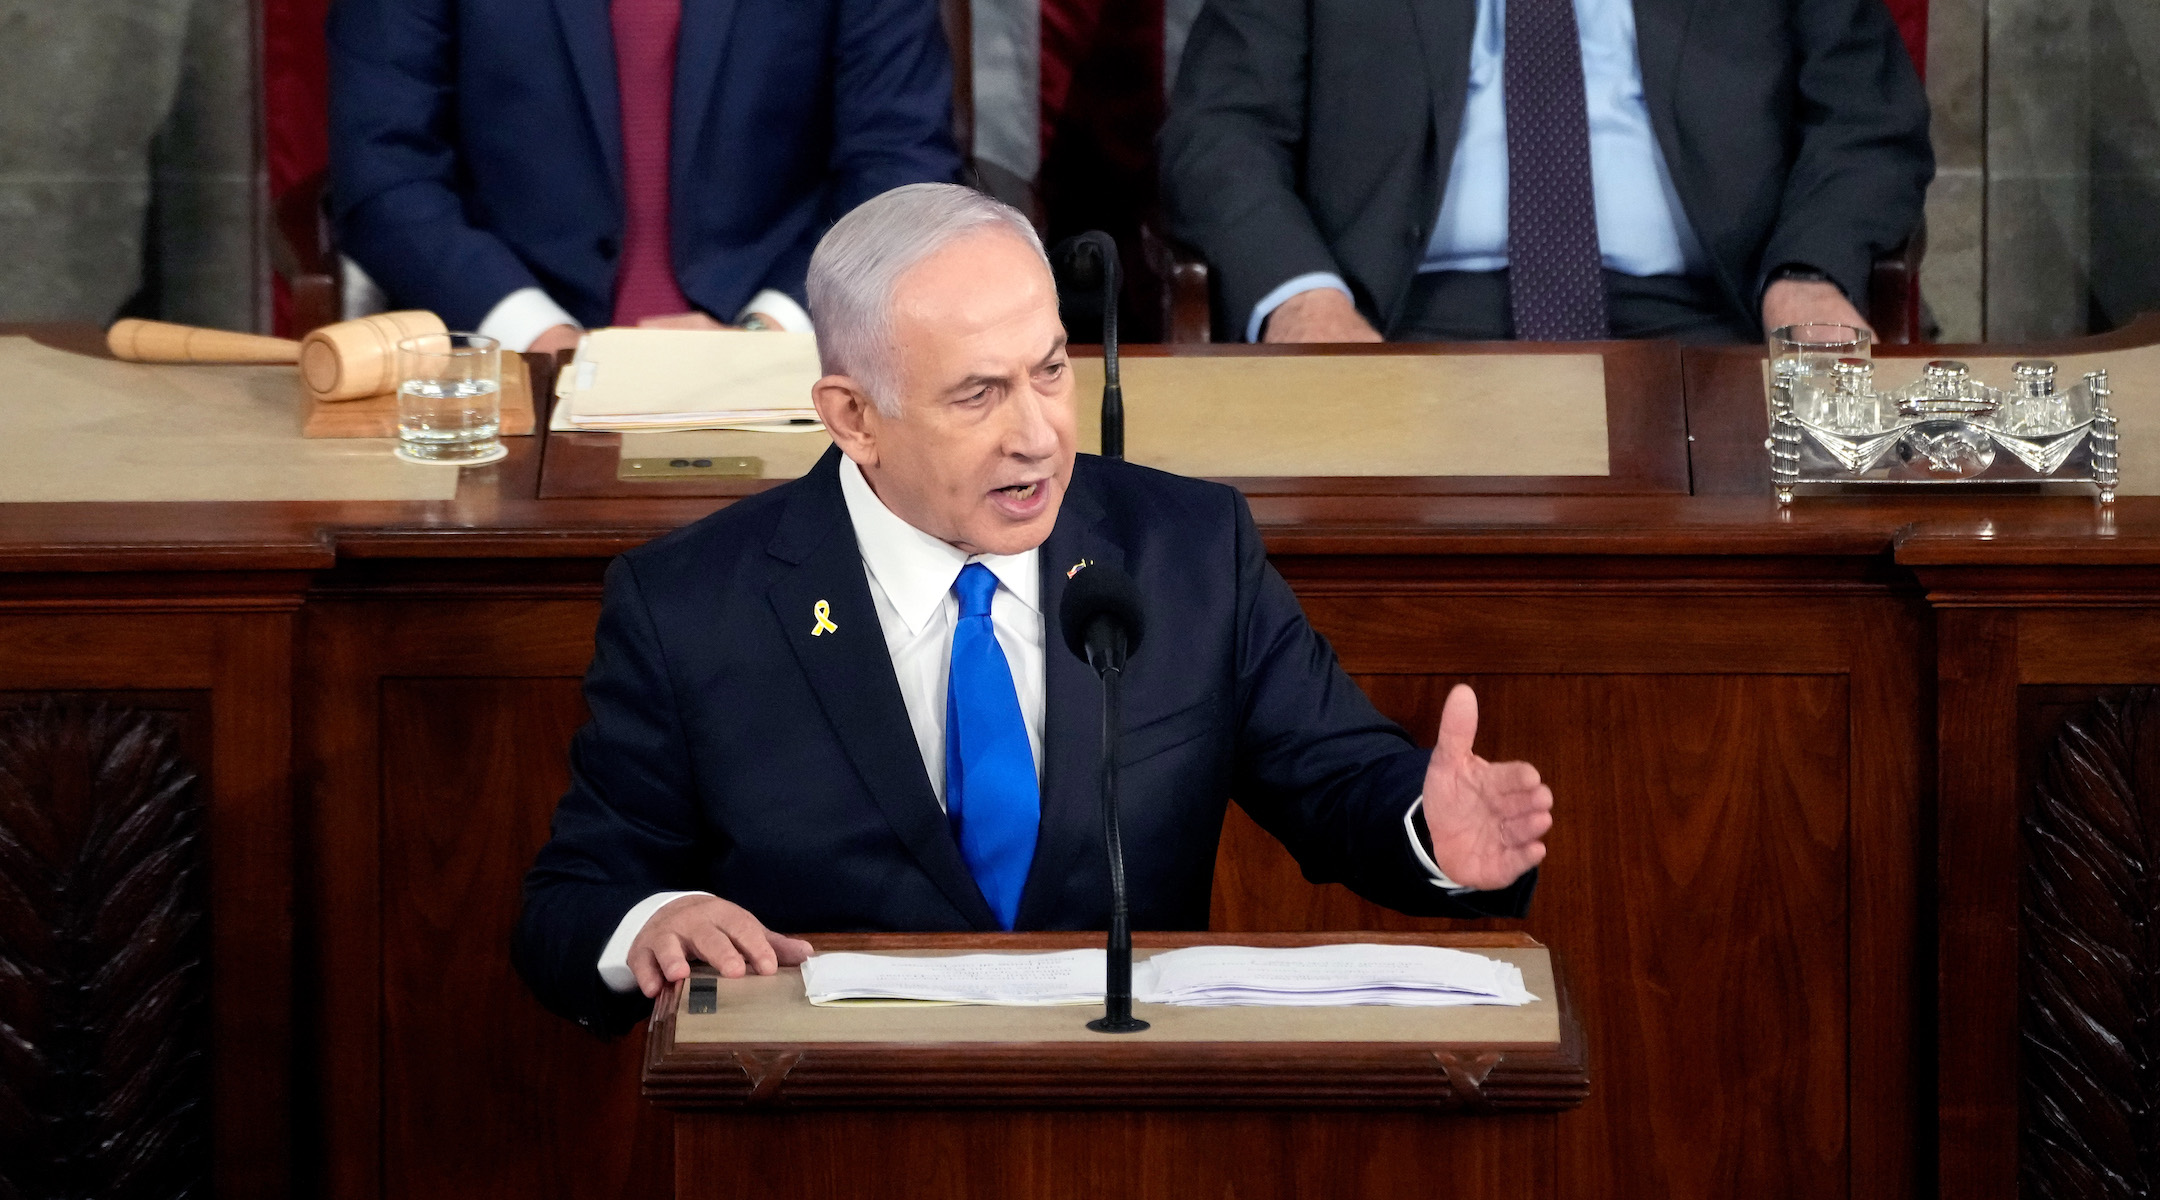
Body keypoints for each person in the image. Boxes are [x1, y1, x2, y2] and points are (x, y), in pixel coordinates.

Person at [513, 184, 1554, 1034]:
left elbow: (1339, 783)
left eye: (1051, 372)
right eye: (978, 395)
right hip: (829, 1131)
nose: (1039, 436)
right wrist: (654, 918)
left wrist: (1429, 828)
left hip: (1131, 1127)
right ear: (853, 417)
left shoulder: (1187, 550)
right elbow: (570, 906)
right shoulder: (696, 604)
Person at [1159, 0, 1934, 345]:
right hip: (1394, 331)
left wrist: (1808, 273)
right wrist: (1304, 303)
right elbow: (1219, 130)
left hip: (1714, 329)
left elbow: (1866, 119)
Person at [326, 0, 963, 355]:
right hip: (508, 373)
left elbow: (900, 164)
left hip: (798, 361)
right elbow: (385, 173)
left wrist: (766, 337)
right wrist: (541, 339)